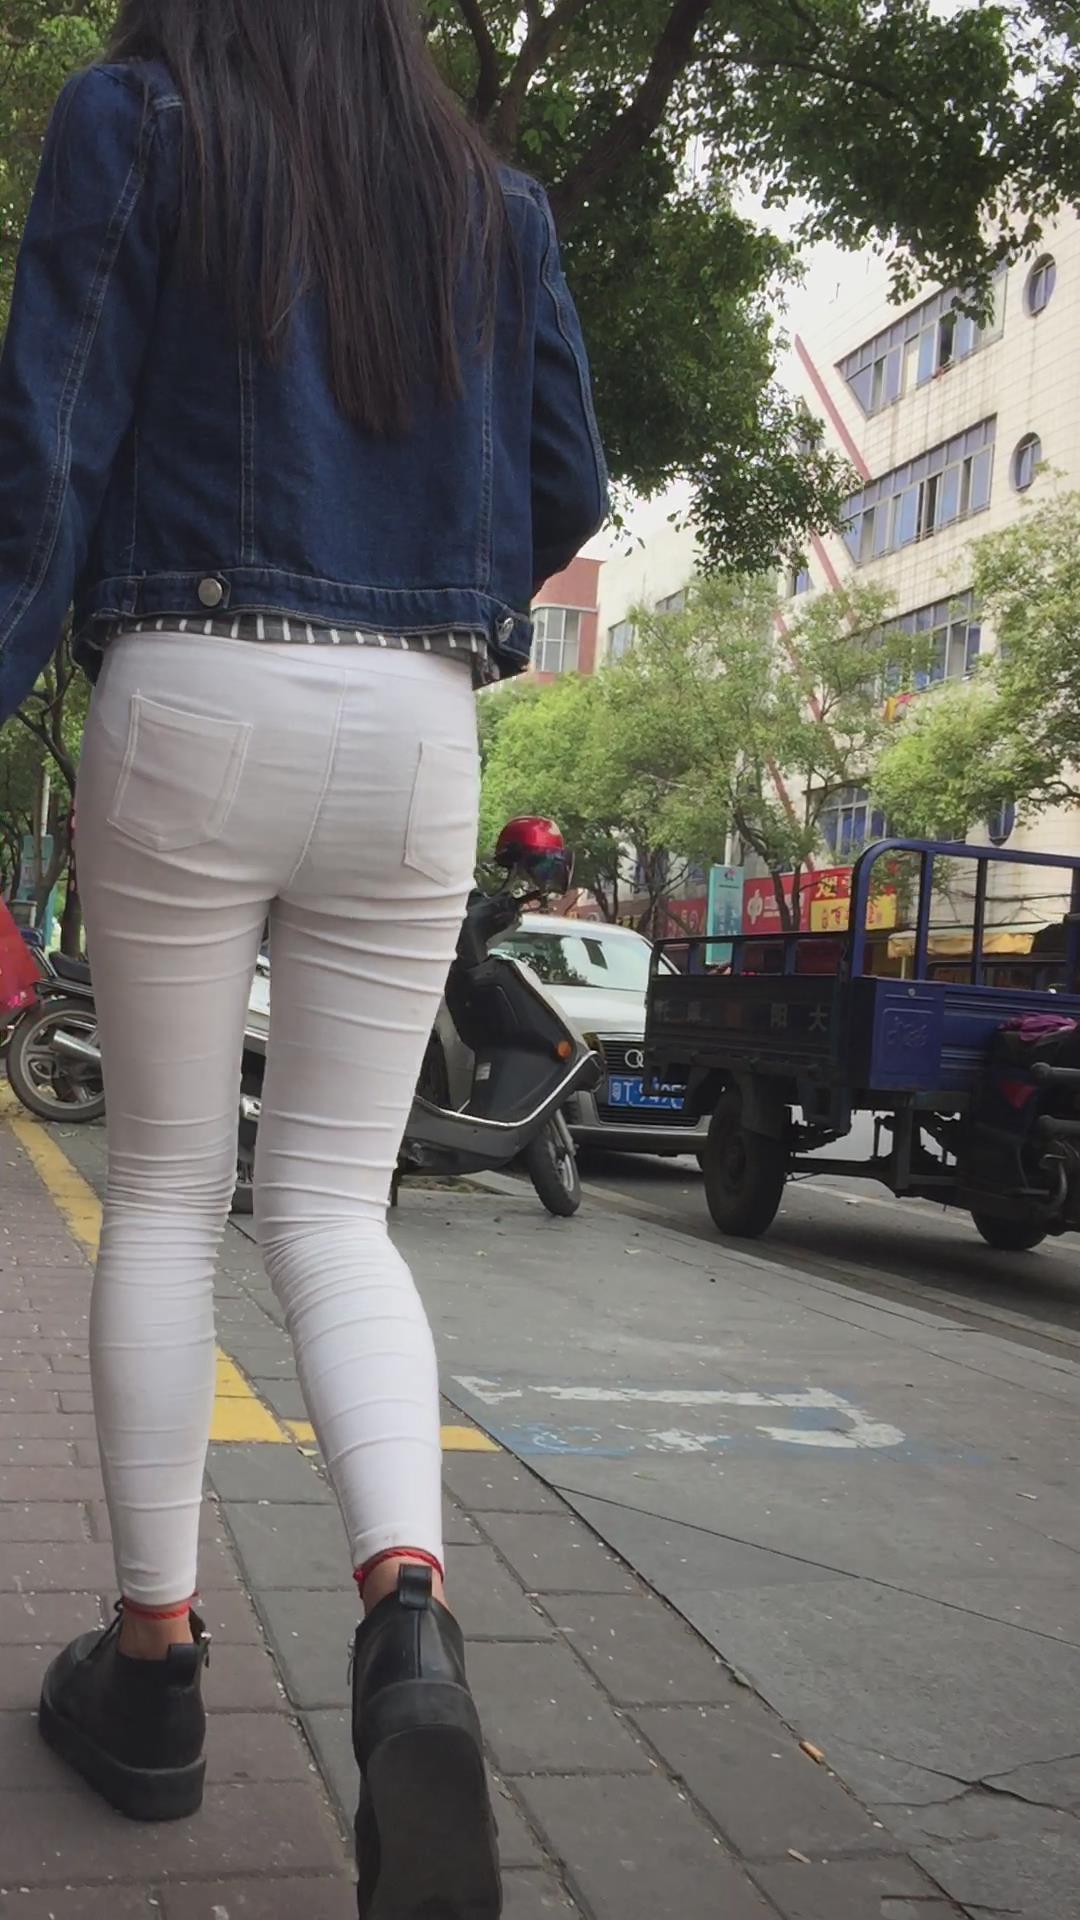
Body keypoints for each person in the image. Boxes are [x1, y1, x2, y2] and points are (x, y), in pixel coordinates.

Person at [0, 3, 607, 1914]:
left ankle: (154, 1672)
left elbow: (49, 448)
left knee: (170, 1195)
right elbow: (568, 482)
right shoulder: (490, 200)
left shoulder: (137, 123)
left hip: (192, 693)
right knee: (340, 1208)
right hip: (416, 729)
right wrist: (437, 582)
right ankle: (406, 1630)